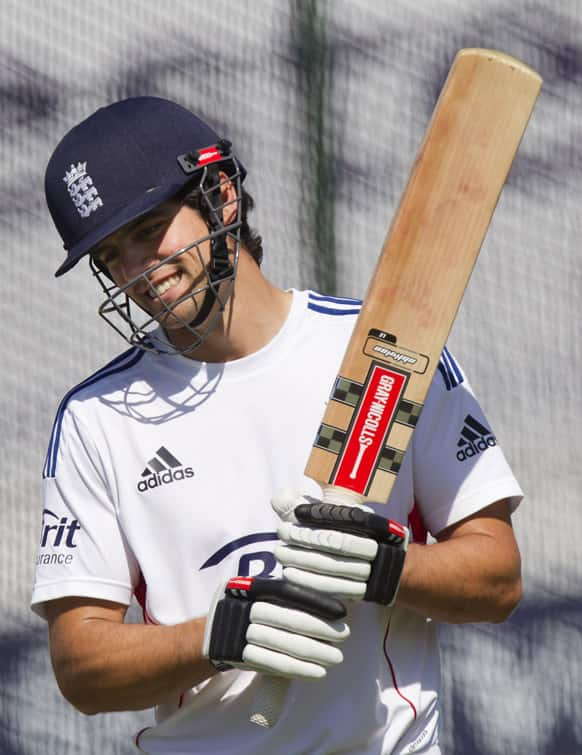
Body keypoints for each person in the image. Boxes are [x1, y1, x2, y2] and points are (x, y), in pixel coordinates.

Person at [32, 96, 523, 755]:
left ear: (222, 196)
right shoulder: (97, 418)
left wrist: (388, 567)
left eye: (149, 229)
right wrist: (211, 638)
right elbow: (81, 668)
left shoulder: (384, 350)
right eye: (112, 255)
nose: (138, 272)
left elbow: (497, 576)